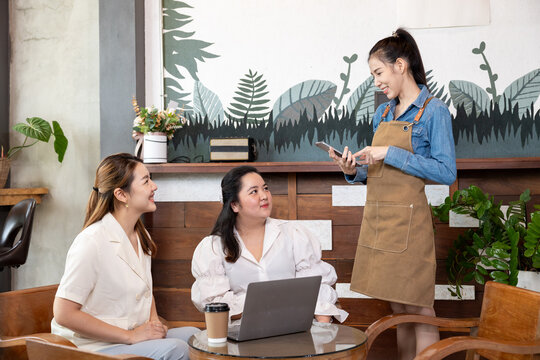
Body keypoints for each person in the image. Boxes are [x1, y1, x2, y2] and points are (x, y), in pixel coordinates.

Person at [329, 28, 456, 359]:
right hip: (381, 221)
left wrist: (390, 153)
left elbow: (446, 171)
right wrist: (351, 169)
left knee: (420, 310)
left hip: (410, 226)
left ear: (400, 65)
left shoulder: (433, 111)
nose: (376, 83)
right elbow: (377, 173)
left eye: (378, 73)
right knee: (400, 312)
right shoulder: (382, 114)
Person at [52, 153, 199, 360]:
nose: (154, 186)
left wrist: (154, 324)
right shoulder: (91, 241)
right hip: (94, 348)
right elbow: (63, 313)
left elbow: (145, 290)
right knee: (177, 348)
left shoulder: (141, 236)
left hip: (127, 339)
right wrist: (130, 336)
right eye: (146, 181)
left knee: (195, 336)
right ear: (121, 195)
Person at [191, 166, 348, 323]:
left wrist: (323, 333)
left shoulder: (294, 234)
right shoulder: (213, 247)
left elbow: (316, 289)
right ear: (234, 205)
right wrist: (265, 306)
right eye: (254, 191)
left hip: (295, 329)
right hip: (243, 333)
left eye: (265, 188)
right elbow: (217, 306)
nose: (264, 196)